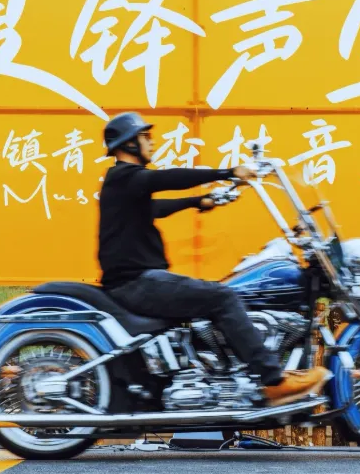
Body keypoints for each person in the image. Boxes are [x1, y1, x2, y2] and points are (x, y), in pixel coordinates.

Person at [98, 112, 330, 405]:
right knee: (222, 297)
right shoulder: (124, 176)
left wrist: (199, 201)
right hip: (136, 282)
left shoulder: (126, 186)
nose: (152, 142)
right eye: (145, 136)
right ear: (129, 144)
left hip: (138, 280)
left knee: (216, 294)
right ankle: (273, 381)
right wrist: (228, 172)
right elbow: (166, 178)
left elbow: (155, 208)